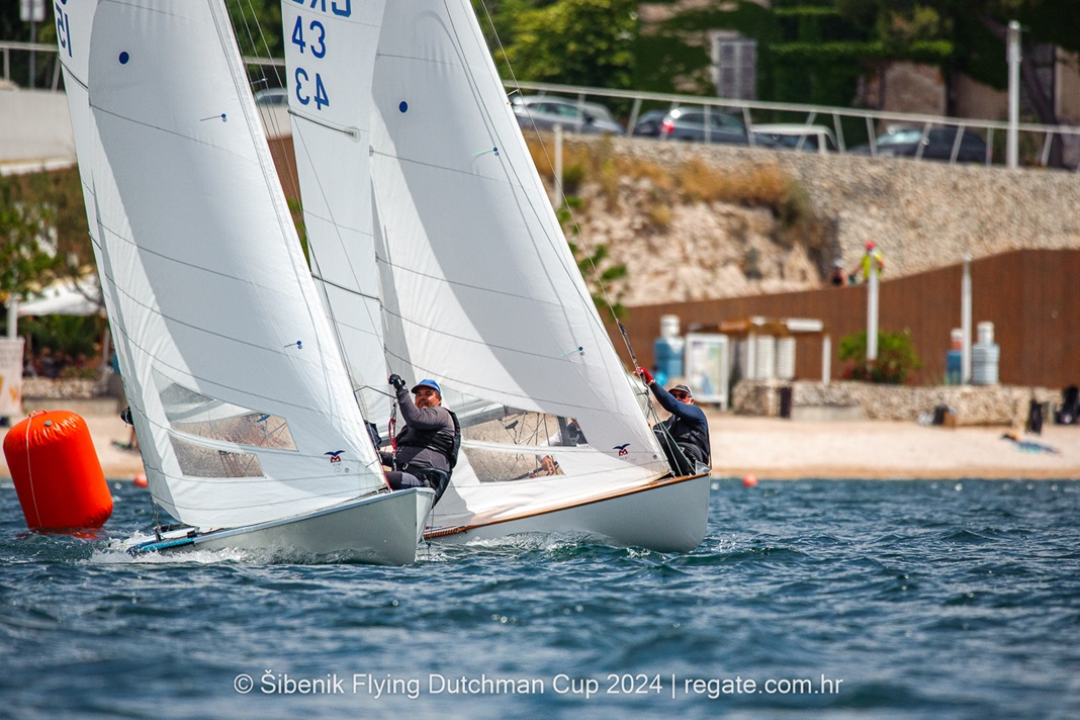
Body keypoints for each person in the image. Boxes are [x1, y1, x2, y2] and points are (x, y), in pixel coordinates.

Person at [381, 374, 460, 505]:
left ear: (439, 399)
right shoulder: (413, 428)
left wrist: (401, 388)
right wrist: (377, 456)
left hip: (422, 483)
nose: (422, 397)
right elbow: (399, 458)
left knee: (371, 481)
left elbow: (414, 417)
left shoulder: (441, 414)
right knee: (365, 479)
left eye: (428, 394)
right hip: (408, 478)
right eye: (418, 395)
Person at [633, 367, 710, 476]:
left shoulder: (697, 413)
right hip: (673, 466)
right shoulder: (667, 424)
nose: (678, 398)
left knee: (661, 437)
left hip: (692, 467)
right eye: (673, 396)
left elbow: (673, 405)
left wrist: (650, 382)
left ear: (691, 401)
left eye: (682, 396)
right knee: (654, 436)